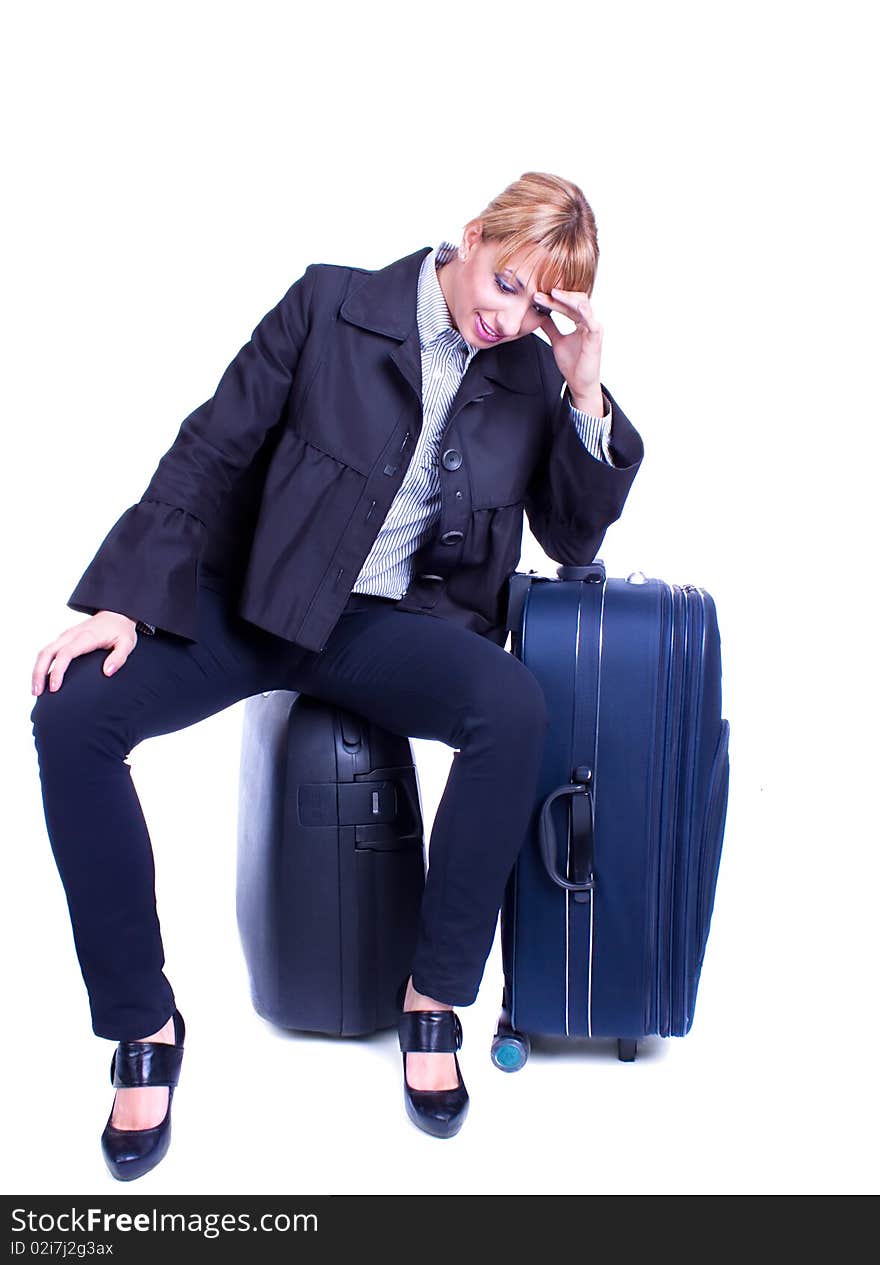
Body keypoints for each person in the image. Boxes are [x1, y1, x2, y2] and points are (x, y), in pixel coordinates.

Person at [29, 171, 644, 1180]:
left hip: (386, 630)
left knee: (511, 707)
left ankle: (432, 998)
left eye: (538, 307)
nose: (509, 318)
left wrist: (579, 382)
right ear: (470, 235)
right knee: (75, 713)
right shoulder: (330, 304)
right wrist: (123, 601)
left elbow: (573, 532)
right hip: (255, 603)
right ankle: (143, 1027)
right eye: (503, 285)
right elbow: (212, 449)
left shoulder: (527, 373)